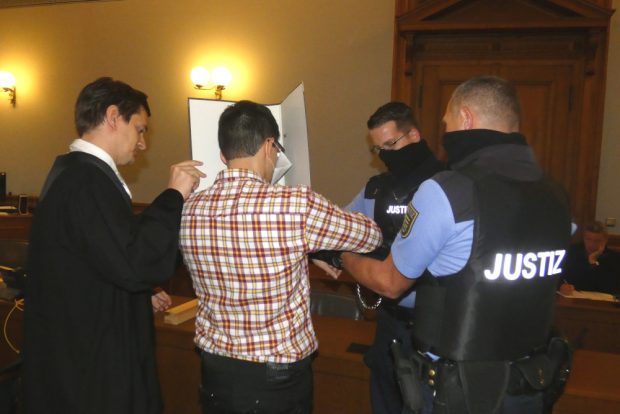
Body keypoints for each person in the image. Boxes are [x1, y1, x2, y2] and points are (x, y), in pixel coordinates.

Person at [332, 76, 573, 413]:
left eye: (447, 122)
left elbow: (390, 282)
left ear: (466, 118)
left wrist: (342, 258)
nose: (445, 132)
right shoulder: (557, 196)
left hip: (457, 388)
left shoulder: (447, 190)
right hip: (529, 384)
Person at [178, 100, 383, 414]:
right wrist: (315, 246)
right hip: (275, 379)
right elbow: (370, 236)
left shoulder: (188, 208)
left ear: (223, 155)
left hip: (216, 371)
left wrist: (307, 248)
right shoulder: (294, 205)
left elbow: (242, 246)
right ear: (269, 145)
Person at [23, 77, 205, 414]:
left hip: (76, 349)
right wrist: (174, 194)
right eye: (139, 129)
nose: (143, 143)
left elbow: (98, 257)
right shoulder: (86, 179)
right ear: (112, 117)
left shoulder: (73, 172)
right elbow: (134, 260)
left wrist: (139, 293)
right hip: (90, 367)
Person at [345, 102, 442, 414]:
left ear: (414, 135)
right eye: (379, 149)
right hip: (391, 322)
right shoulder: (377, 189)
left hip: (438, 324)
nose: (385, 155)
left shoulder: (449, 185)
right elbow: (341, 226)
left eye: (391, 144)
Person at [560, 221, 620, 296]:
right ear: (583, 238)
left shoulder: (614, 258)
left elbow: (610, 287)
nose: (592, 244)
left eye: (597, 241)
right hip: (573, 298)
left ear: (605, 240)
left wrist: (593, 262)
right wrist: (561, 286)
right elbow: (558, 276)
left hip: (601, 300)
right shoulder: (571, 252)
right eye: (588, 239)